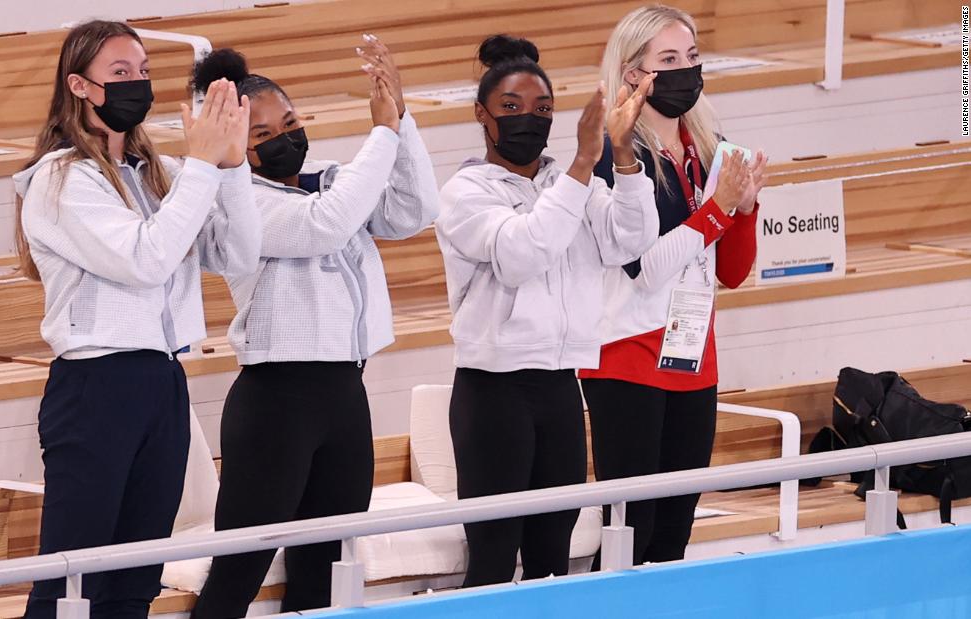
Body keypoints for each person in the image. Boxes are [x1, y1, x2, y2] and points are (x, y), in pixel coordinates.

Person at [13, 19, 260, 619]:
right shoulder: (61, 178)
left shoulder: (162, 172)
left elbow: (239, 255)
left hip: (162, 382)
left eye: (145, 71)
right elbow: (145, 260)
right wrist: (202, 166)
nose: (138, 83)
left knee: (136, 579)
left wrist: (230, 166)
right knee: (73, 577)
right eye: (120, 73)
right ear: (79, 85)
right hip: (97, 385)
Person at [188, 35, 440, 618]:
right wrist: (380, 135)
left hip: (344, 394)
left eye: (290, 121)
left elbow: (415, 210)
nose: (283, 139)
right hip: (277, 401)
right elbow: (325, 227)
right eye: (261, 134)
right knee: (239, 570)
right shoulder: (242, 203)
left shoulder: (331, 182)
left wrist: (399, 119)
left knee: (326, 571)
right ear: (236, 147)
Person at [435, 34, 659, 587]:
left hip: (561, 386)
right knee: (492, 556)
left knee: (552, 555)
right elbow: (522, 253)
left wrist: (623, 156)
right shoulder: (466, 191)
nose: (526, 120)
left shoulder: (568, 181)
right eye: (510, 108)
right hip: (494, 391)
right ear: (481, 115)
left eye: (541, 110)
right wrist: (586, 163)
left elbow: (630, 241)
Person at [579, 4, 769, 566]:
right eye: (668, 59)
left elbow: (733, 273)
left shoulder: (713, 146)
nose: (685, 70)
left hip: (694, 354)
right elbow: (645, 270)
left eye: (692, 57)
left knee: (673, 535)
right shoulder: (618, 155)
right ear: (633, 72)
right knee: (630, 532)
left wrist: (746, 208)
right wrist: (718, 210)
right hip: (628, 355)